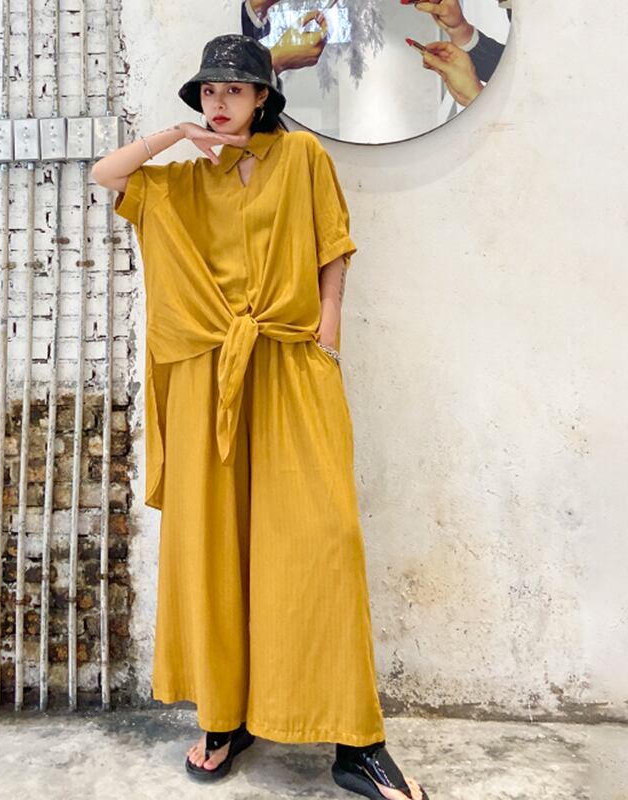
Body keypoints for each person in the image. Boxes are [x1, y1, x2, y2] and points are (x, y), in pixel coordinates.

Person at [91, 33, 430, 800]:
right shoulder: (180, 180)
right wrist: (176, 136)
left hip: (287, 362)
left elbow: (332, 249)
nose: (219, 102)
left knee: (321, 542)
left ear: (262, 98)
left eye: (233, 90)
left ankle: (357, 742)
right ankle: (225, 719)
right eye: (208, 92)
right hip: (205, 376)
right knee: (216, 550)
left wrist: (328, 333)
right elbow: (104, 174)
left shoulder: (302, 158)